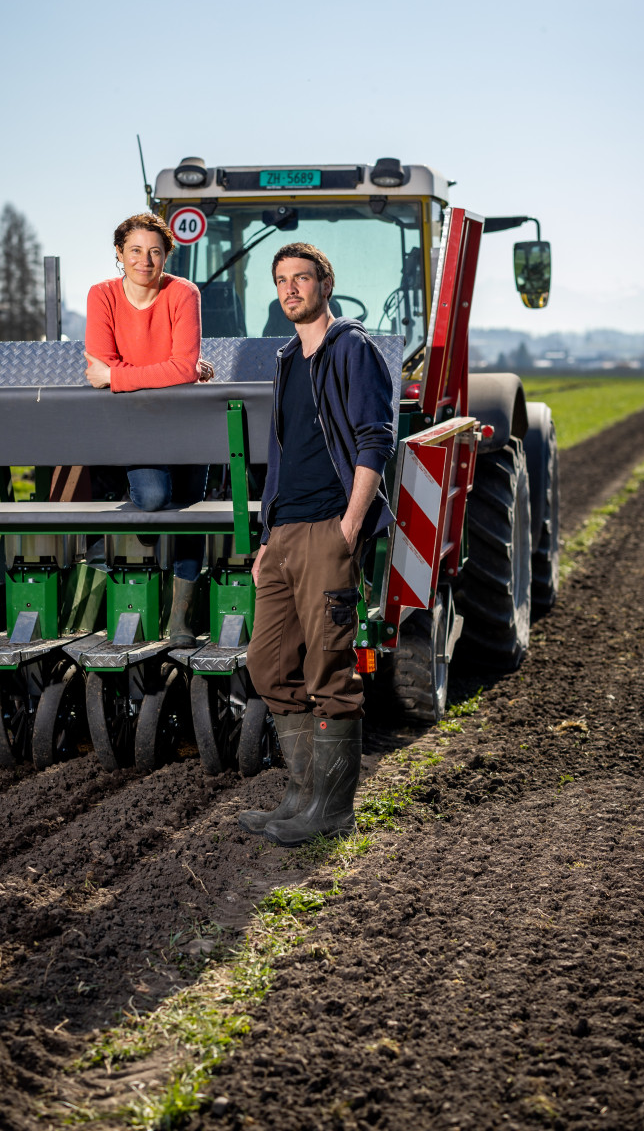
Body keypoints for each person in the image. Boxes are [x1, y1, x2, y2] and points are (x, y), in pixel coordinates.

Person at [240, 242, 396, 847]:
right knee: (269, 664)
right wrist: (265, 537)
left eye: (301, 278)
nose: (290, 290)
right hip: (283, 532)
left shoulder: (352, 347)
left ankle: (330, 809)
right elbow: (279, 457)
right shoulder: (284, 358)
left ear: (324, 284)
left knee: (328, 669)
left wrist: (350, 526)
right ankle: (301, 795)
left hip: (328, 527)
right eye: (281, 281)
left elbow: (373, 439)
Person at [85, 211, 210, 646]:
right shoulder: (101, 296)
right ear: (119, 254)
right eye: (135, 250)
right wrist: (176, 371)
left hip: (186, 421)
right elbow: (102, 362)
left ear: (166, 255)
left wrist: (122, 378)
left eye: (155, 251)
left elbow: (118, 373)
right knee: (154, 498)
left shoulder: (183, 293)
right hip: (136, 423)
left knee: (193, 511)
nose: (145, 259)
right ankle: (136, 511)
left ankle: (181, 617)